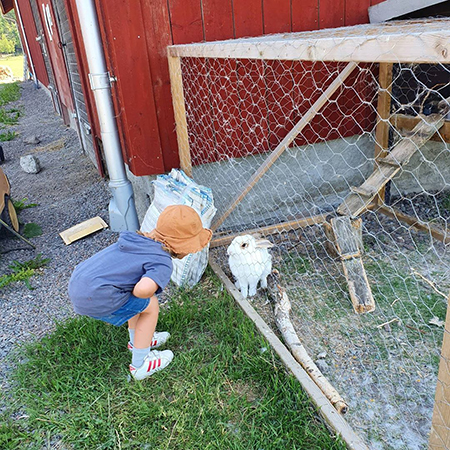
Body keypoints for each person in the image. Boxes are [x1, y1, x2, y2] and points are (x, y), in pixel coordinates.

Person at [68, 205, 212, 381]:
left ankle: (137, 341)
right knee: (150, 305)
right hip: (98, 296)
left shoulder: (136, 240)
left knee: (137, 302)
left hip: (79, 284)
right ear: (182, 245)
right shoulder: (162, 261)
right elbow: (142, 290)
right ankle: (140, 364)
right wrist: (141, 291)